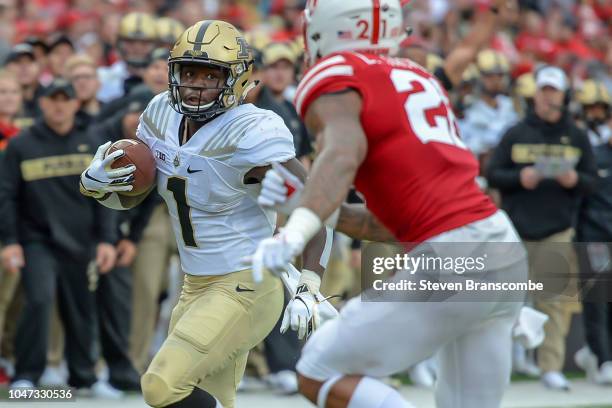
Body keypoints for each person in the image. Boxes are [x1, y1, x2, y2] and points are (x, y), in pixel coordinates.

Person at [250, 1, 527, 407]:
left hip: (452, 258)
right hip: (501, 248)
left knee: (317, 372)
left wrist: (295, 233)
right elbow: (387, 224)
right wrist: (304, 204)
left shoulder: (339, 76)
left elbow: (343, 153)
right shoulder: (417, 76)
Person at [79, 20, 331, 408]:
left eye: (210, 75)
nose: (196, 83)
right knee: (212, 398)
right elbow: (139, 192)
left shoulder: (250, 130)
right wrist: (99, 186)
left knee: (161, 386)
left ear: (238, 80)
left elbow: (314, 203)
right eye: (188, 72)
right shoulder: (160, 113)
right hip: (195, 283)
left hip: (246, 283)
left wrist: (310, 281)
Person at [0, 79, 121, 397]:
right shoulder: (21, 145)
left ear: (75, 104)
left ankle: (84, 378)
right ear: (41, 104)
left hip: (81, 242)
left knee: (81, 308)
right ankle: (26, 375)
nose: (59, 105)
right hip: (35, 240)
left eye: (65, 99)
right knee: (38, 300)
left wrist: (107, 239)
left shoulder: (93, 141)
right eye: (52, 99)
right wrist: (10, 240)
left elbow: (105, 195)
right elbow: (7, 196)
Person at [487, 66, 598, 390]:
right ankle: (500, 365)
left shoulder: (577, 137)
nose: (549, 97)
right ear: (535, 94)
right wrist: (518, 179)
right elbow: (493, 173)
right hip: (516, 229)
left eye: (554, 91)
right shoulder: (516, 133)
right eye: (544, 90)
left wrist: (574, 180)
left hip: (557, 230)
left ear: (563, 97)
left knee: (554, 303)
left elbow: (592, 182)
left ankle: (550, 366)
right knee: (504, 301)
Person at [573, 80, 612, 385]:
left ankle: (595, 352)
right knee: (597, 297)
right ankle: (602, 358)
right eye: (591, 108)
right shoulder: (587, 149)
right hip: (593, 232)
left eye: (600, 108)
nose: (596, 114)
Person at [0, 68, 22, 385]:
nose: (7, 98)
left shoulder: (22, 137)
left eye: (12, 93)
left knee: (11, 301)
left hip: (17, 230)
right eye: (2, 92)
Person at [97, 12, 158, 103]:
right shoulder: (103, 78)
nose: (137, 48)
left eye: (144, 43)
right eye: (130, 42)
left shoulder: (162, 78)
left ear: (155, 45)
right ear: (118, 43)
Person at [2, 43, 44, 129]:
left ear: (38, 67)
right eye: (18, 62)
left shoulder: (50, 95)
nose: (24, 67)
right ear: (6, 67)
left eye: (30, 62)